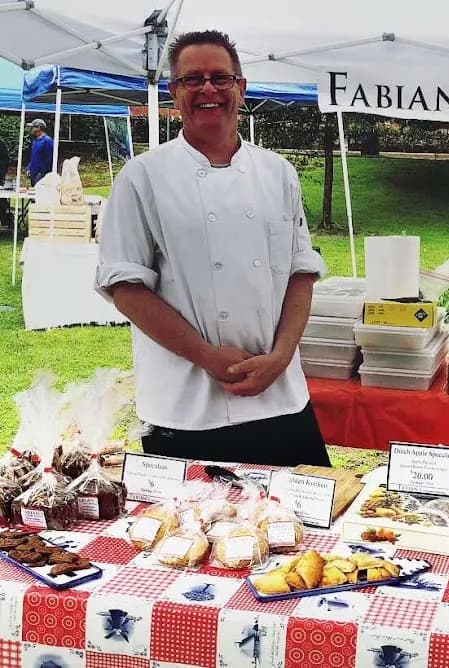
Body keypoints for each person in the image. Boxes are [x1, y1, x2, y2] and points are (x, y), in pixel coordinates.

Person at [95, 30, 330, 467]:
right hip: (185, 403)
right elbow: (125, 287)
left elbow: (301, 272)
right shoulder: (142, 177)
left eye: (221, 78)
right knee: (186, 533)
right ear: (174, 92)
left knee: (301, 529)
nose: (208, 89)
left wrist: (280, 358)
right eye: (192, 79)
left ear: (240, 88)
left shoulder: (278, 173)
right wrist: (209, 357)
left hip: (280, 397)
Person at [26, 119, 53, 186]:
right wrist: (29, 168)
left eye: (33, 127)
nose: (31, 129)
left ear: (39, 128)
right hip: (33, 173)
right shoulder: (35, 140)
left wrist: (42, 173)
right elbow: (33, 157)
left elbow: (49, 158)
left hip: (42, 175)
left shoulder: (47, 141)